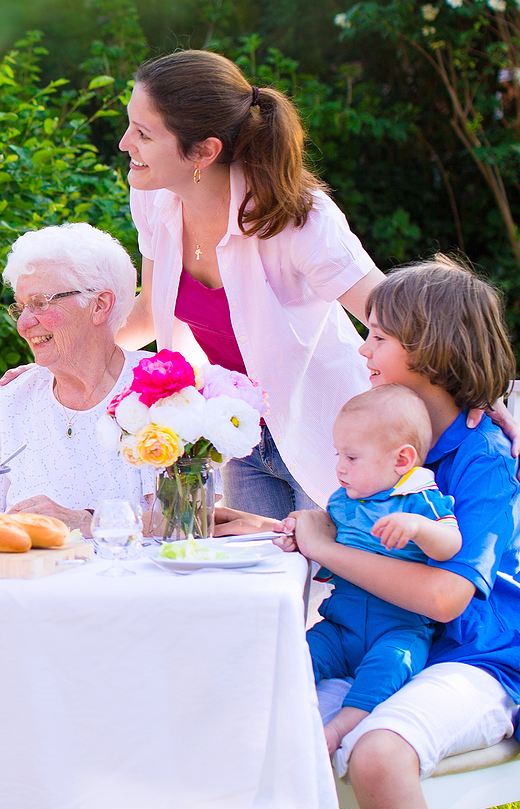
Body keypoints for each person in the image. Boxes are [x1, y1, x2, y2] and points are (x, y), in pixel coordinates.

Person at [278, 256, 520, 809]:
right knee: (260, 725)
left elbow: (445, 599)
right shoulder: (395, 444)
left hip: (481, 658)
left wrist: (326, 549)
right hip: (392, 646)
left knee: (378, 756)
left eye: (377, 337)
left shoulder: (485, 462)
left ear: (429, 350)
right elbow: (351, 530)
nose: (362, 350)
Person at [116, 49, 386, 518]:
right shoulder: (155, 202)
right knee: (255, 581)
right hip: (240, 436)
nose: (124, 144)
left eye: (143, 133)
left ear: (204, 151)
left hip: (333, 435)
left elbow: (397, 317)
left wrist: (478, 398)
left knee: (331, 584)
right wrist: (61, 358)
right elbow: (146, 315)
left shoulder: (299, 218)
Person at [295, 385, 461, 756]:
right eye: (339, 454)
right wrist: (299, 540)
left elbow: (451, 543)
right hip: (341, 628)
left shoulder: (419, 498)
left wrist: (418, 528)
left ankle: (337, 729)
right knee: (295, 656)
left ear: (402, 460)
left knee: (389, 668)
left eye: (352, 457)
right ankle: (277, 718)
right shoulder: (342, 502)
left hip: (399, 630)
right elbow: (330, 561)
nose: (339, 467)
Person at [0, 223, 153, 536]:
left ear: (100, 305)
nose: (24, 324)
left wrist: (86, 522)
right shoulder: (10, 400)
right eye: (20, 306)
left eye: (40, 303)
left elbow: (187, 521)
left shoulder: (161, 391)